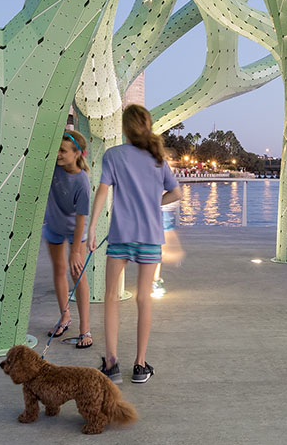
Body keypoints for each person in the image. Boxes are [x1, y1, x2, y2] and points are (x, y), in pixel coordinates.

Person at [86, 104, 181, 385]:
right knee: (143, 299)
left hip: (120, 236)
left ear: (125, 129)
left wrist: (92, 228)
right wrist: (155, 204)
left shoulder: (113, 155)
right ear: (147, 126)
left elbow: (102, 191)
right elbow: (175, 192)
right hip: (150, 237)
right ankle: (140, 366)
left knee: (111, 297)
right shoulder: (157, 159)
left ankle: (112, 363)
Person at [43, 129, 94, 349]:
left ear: (77, 154)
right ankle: (65, 317)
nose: (58, 154)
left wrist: (75, 250)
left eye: (63, 151)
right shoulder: (52, 168)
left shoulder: (82, 182)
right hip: (53, 224)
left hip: (75, 230)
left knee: (77, 273)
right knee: (58, 269)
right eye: (57, 150)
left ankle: (85, 329)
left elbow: (81, 218)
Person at [152, 196, 184, 297]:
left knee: (159, 249)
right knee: (159, 249)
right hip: (160, 214)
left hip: (160, 213)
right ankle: (154, 281)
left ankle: (154, 280)